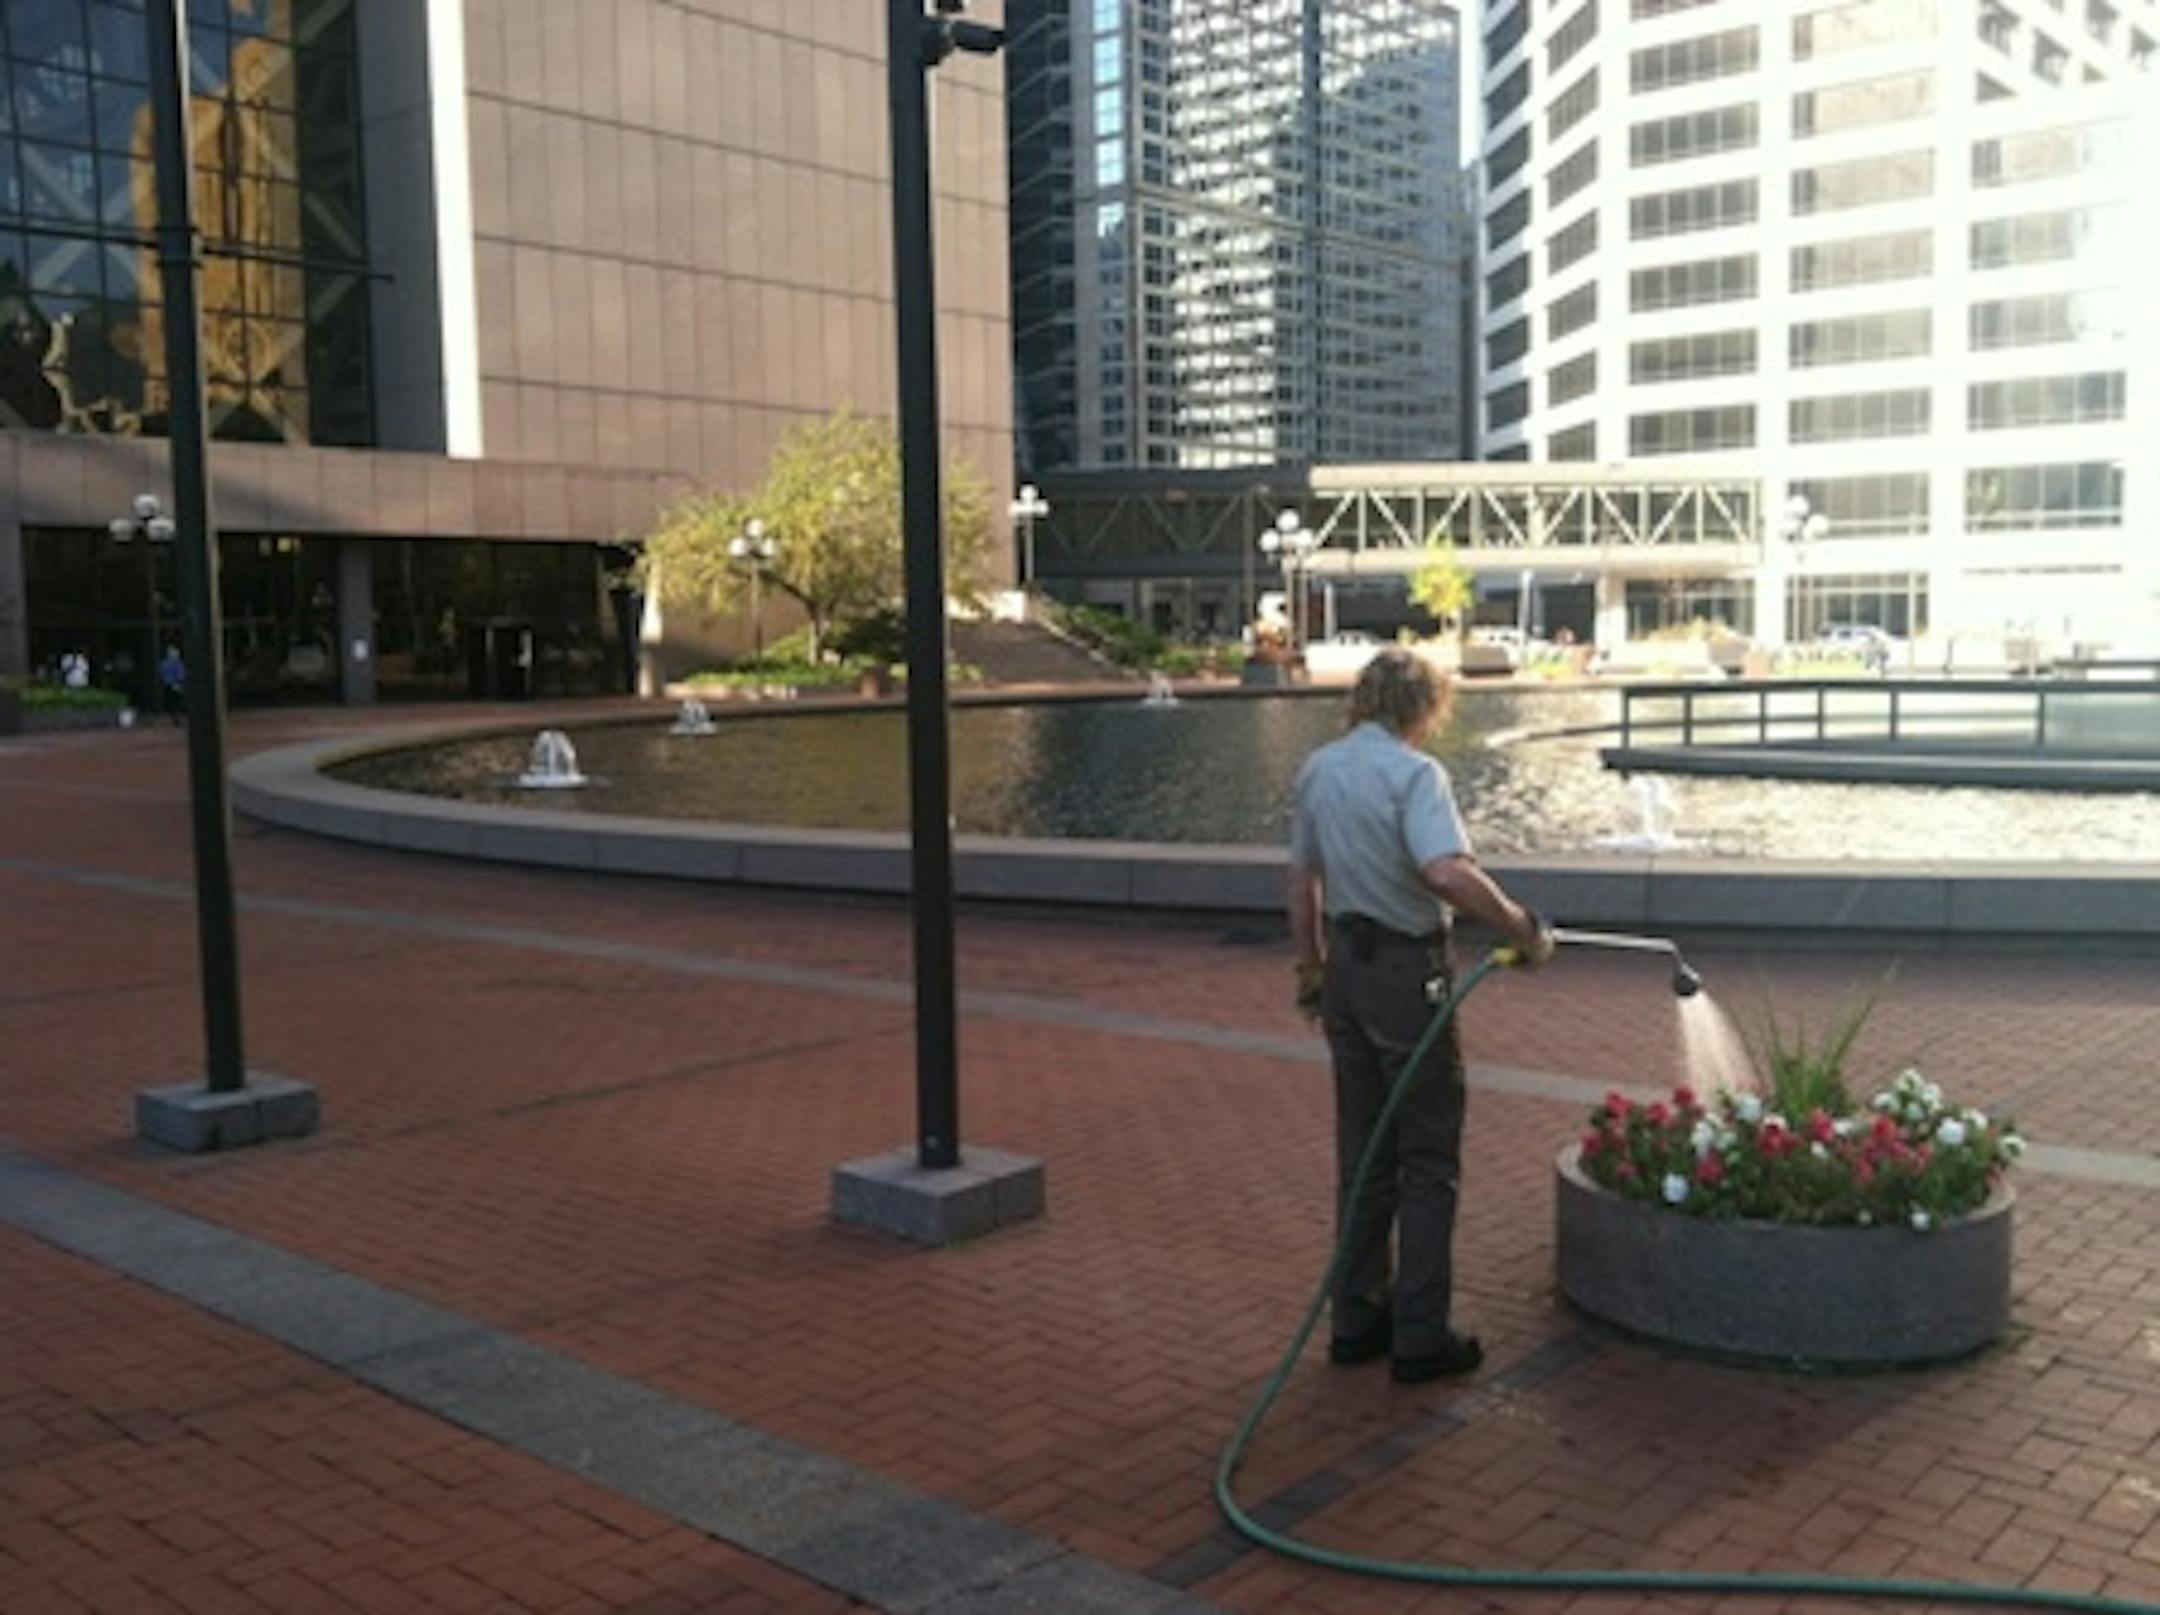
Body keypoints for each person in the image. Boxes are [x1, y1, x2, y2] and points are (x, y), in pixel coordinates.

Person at [1286, 648, 1553, 1384]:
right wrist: (1519, 926)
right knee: (1427, 1157)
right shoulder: (1415, 775)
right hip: (1408, 971)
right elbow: (1443, 870)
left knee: (1363, 1152)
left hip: (1345, 968)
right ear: (1422, 706)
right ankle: (1420, 1334)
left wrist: (1310, 971)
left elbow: (1302, 882)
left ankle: (1356, 1317)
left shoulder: (1320, 769)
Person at [157, 643, 185, 722]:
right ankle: (175, 717)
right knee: (174, 701)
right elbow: (180, 673)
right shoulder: (171, 662)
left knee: (174, 701)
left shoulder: (172, 662)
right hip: (172, 683)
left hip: (170, 683)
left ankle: (175, 717)